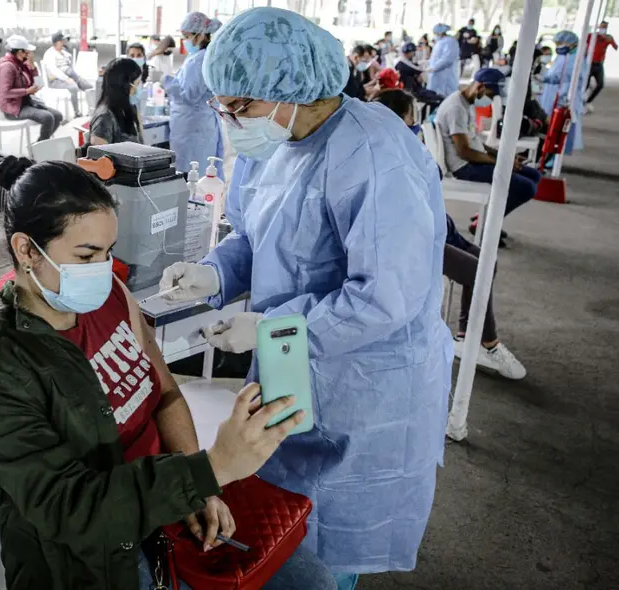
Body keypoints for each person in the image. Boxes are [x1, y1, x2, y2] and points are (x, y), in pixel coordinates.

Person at [0, 154, 337, 590]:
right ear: (27, 250)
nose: (103, 270)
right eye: (86, 255)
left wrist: (200, 484)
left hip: (170, 491)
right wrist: (211, 469)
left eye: (108, 252)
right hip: (96, 545)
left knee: (316, 584)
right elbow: (71, 510)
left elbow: (165, 393)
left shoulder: (109, 295)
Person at [166, 9, 452, 589]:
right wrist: (213, 274)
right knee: (283, 513)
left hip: (364, 378)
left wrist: (273, 327)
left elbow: (384, 297)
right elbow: (254, 235)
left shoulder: (373, 153)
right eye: (223, 107)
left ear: (290, 87)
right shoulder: (274, 140)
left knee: (332, 539)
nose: (231, 120)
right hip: (293, 360)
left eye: (240, 106)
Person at [371, 89, 528, 380]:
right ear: (396, 120)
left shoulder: (402, 146)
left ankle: (468, 335)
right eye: (411, 119)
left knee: (485, 260)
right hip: (410, 237)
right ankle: (488, 343)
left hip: (433, 225)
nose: (415, 125)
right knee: (478, 271)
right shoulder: (378, 155)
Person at [436, 68, 541, 241]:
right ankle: (486, 224)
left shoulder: (467, 103)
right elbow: (464, 151)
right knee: (526, 187)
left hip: (474, 159)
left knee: (534, 175)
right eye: (490, 95)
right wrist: (500, 163)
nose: (490, 100)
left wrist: (503, 156)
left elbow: (475, 142)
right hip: (464, 166)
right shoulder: (456, 108)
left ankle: (485, 218)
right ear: (481, 87)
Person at [162, 12, 224, 177]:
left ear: (201, 34)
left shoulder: (200, 60)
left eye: (187, 36)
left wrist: (168, 83)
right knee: (197, 170)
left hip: (193, 127)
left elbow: (189, 96)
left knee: (191, 173)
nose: (185, 40)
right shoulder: (199, 57)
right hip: (196, 125)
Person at [0, 35, 63, 141]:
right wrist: (26, 91)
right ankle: (40, 147)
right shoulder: (7, 67)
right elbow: (4, 92)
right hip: (13, 108)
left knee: (58, 116)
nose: (29, 54)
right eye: (27, 51)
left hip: (27, 103)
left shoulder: (21, 65)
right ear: (20, 52)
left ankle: (39, 144)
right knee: (47, 117)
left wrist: (32, 64)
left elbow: (39, 83)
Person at [539, 30, 588, 155]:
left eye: (560, 43)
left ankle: (553, 157)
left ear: (571, 43)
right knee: (550, 128)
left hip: (564, 97)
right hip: (553, 95)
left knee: (559, 131)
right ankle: (547, 154)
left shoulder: (576, 59)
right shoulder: (563, 56)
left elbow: (565, 76)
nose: (558, 46)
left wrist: (546, 78)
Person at [88, 58, 144, 145]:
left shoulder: (129, 110)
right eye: (137, 84)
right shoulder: (104, 117)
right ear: (124, 86)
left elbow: (141, 143)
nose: (138, 89)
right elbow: (99, 153)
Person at [43, 31, 93, 118]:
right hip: (55, 81)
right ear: (57, 42)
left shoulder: (63, 52)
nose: (63, 43)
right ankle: (77, 112)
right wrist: (66, 79)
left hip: (69, 78)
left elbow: (69, 62)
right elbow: (54, 71)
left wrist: (65, 55)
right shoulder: (49, 54)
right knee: (74, 87)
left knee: (89, 87)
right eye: (61, 41)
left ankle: (92, 110)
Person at [395, 42, 445, 110]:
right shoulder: (402, 63)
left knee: (435, 95)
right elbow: (418, 69)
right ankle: (423, 115)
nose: (414, 54)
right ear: (410, 52)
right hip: (412, 91)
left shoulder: (403, 62)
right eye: (413, 52)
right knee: (439, 99)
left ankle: (424, 114)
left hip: (414, 89)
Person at [585, 21, 617, 109]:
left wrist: (610, 40)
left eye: (605, 27)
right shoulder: (591, 36)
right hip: (589, 63)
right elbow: (583, 44)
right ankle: (580, 101)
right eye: (602, 27)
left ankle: (588, 101)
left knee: (600, 84)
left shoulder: (608, 38)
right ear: (599, 27)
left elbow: (616, 47)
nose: (603, 29)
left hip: (599, 64)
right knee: (585, 85)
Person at [428, 23, 460, 97]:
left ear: (440, 32)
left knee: (446, 96)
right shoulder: (439, 42)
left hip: (445, 76)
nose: (435, 35)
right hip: (436, 75)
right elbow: (435, 58)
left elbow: (447, 59)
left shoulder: (450, 42)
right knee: (435, 96)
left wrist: (434, 67)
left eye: (435, 33)